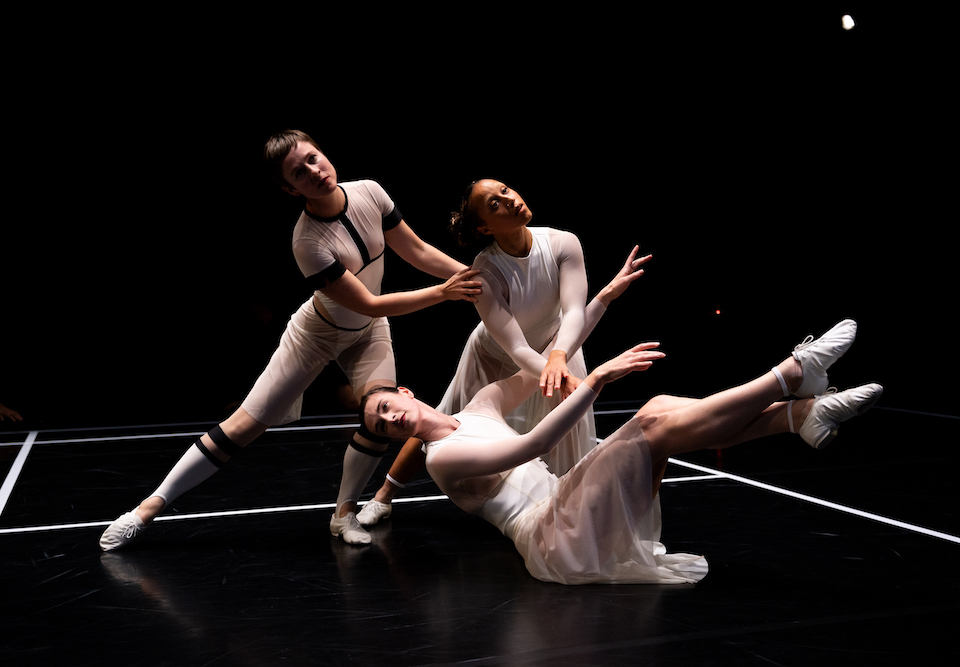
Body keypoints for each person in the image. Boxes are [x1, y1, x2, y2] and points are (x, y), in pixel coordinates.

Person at [99, 129, 482, 550]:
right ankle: (145, 509)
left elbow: (419, 251)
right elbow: (371, 303)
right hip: (317, 334)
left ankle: (342, 514)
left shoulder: (371, 192)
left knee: (377, 414)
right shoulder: (307, 241)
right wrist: (444, 293)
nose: (315, 172)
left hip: (368, 332)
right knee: (243, 427)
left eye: (314, 158)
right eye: (300, 173)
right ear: (289, 188)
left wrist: (471, 275)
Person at [360, 319, 882, 584]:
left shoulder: (480, 404)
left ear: (404, 393)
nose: (389, 418)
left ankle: (798, 416)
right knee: (653, 420)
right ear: (393, 438)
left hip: (570, 506)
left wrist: (602, 297)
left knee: (662, 415)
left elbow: (548, 360)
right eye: (382, 426)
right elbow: (534, 444)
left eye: (385, 406)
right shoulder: (440, 459)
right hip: (552, 539)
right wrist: (600, 377)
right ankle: (793, 374)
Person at [357, 179, 651, 527]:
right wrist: (553, 364)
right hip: (495, 354)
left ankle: (557, 515)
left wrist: (562, 354)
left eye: (506, 191)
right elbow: (516, 346)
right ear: (484, 227)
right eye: (494, 204)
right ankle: (383, 497)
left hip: (559, 346)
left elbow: (573, 312)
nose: (509, 200)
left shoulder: (562, 242)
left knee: (563, 431)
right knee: (442, 419)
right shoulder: (486, 271)